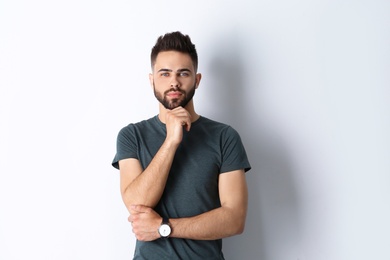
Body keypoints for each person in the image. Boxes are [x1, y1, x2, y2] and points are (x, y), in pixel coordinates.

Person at [112, 31, 251, 260]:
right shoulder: (132, 136)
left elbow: (235, 219)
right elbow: (136, 203)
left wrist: (163, 227)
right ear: (152, 80)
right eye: (164, 73)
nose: (174, 82)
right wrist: (171, 141)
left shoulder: (224, 137)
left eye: (183, 73)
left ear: (196, 80)